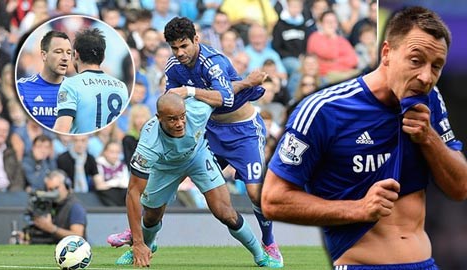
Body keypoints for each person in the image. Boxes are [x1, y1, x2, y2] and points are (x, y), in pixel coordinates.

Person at [262, 6, 467, 269]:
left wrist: (429, 138)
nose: (426, 77)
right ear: (386, 53)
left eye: (436, 66)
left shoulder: (430, 100)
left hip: (425, 264)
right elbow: (273, 200)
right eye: (416, 61)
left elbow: (460, 187)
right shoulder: (324, 110)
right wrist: (358, 209)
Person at [163, 17, 283, 265]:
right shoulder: (173, 66)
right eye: (174, 47)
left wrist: (190, 91)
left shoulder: (213, 61)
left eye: (184, 45)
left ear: (196, 39)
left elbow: (225, 99)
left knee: (254, 192)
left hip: (244, 132)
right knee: (172, 174)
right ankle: (141, 237)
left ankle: (269, 242)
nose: (179, 52)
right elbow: (170, 100)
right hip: (211, 130)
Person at [112, 93, 281, 268]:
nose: (179, 123)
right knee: (151, 216)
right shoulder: (148, 144)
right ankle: (143, 246)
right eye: (172, 119)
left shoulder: (197, 110)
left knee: (225, 212)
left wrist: (246, 84)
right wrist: (138, 243)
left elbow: (223, 93)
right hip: (166, 168)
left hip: (198, 157)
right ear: (158, 118)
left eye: (181, 117)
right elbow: (133, 192)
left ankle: (261, 256)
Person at [53, 28, 129, 134]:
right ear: (103, 57)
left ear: (76, 55)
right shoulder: (121, 86)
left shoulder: (71, 84)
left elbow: (61, 129)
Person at [17, 30, 72, 129]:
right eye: (58, 52)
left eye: (69, 53)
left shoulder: (77, 89)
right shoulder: (22, 88)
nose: (65, 58)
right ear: (44, 55)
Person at [23, 170, 87, 244]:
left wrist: (51, 228)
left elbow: (78, 236)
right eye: (50, 189)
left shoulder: (75, 206)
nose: (53, 193)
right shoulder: (48, 204)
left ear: (66, 186)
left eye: (56, 188)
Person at [0, 117, 24, 191]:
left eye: (5, 131)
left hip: (9, 192)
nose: (1, 133)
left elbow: (18, 176)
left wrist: (14, 192)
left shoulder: (11, 151)